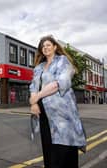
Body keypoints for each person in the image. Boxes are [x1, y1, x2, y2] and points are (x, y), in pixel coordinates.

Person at [29, 35, 86, 168]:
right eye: (43, 46)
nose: (45, 48)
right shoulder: (39, 67)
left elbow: (60, 83)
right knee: (48, 148)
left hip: (63, 114)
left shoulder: (63, 61)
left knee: (64, 149)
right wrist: (34, 103)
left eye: (48, 45)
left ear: (55, 47)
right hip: (44, 113)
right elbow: (33, 86)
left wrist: (37, 97)